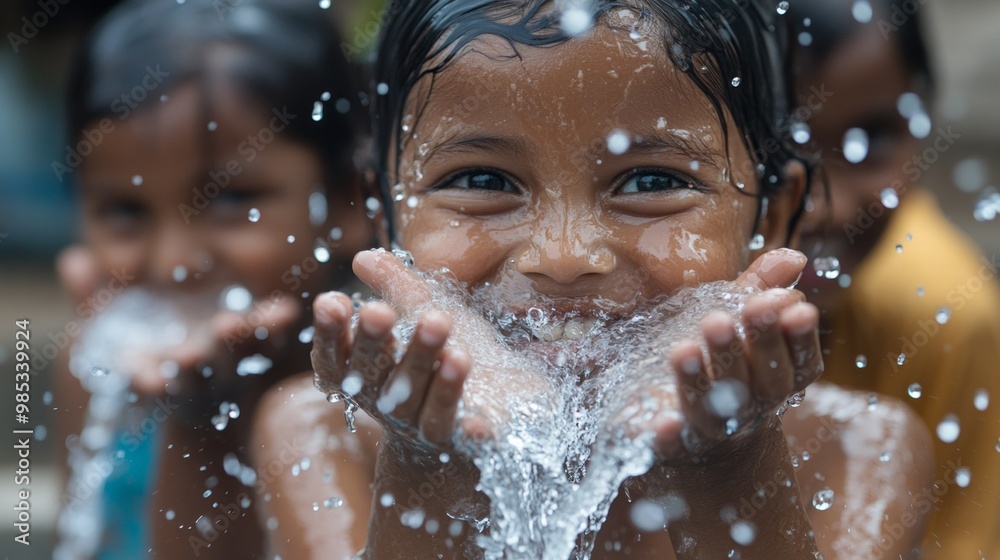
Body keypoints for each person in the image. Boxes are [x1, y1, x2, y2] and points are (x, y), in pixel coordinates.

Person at [250, 1, 934, 558]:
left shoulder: (857, 449)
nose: (565, 254)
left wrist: (727, 462)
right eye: (482, 180)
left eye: (651, 181)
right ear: (383, 214)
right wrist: (428, 462)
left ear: (774, 215)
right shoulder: (320, 432)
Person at [52, 0, 371, 558]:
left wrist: (207, 424)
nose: (176, 261)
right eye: (125, 211)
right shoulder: (88, 368)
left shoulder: (381, 397)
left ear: (348, 200)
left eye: (232, 199)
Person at [793, 1, 1000, 557]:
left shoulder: (944, 313)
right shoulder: (622, 287)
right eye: (781, 147)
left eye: (870, 139)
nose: (826, 207)